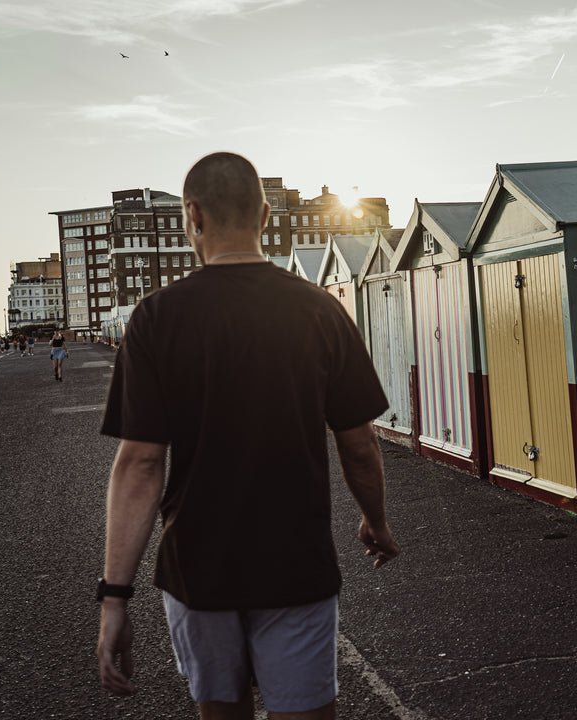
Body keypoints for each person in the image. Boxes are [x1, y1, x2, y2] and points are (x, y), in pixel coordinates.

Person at [95, 151, 399, 720]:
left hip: (197, 569)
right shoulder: (319, 311)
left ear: (192, 218)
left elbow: (139, 464)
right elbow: (358, 443)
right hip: (296, 565)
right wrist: (375, 522)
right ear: (263, 217)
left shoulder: (156, 319)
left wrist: (115, 597)